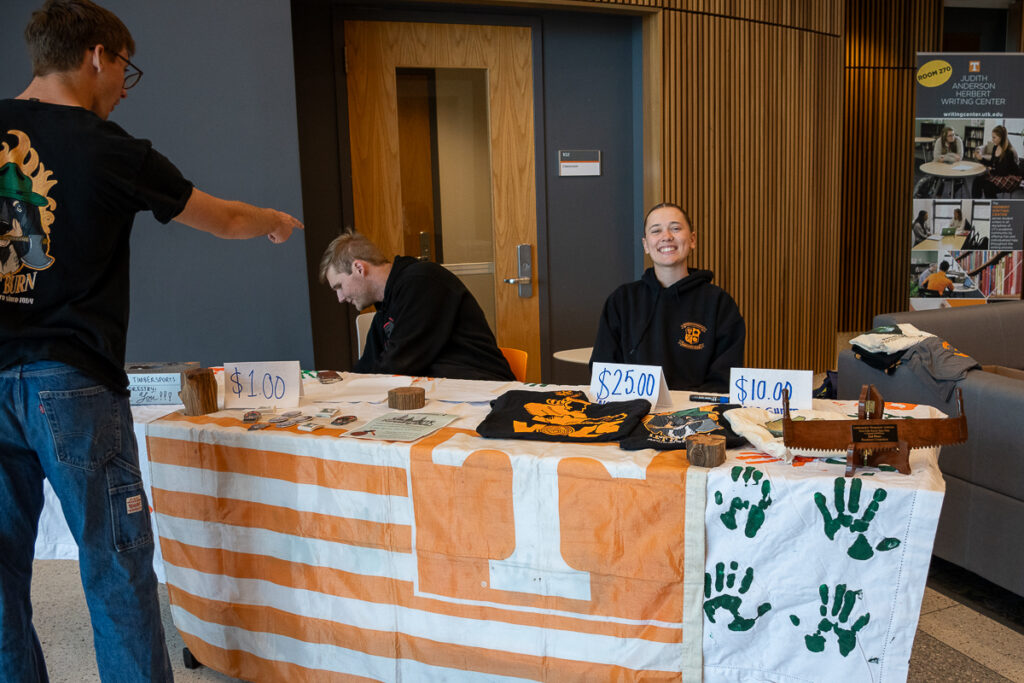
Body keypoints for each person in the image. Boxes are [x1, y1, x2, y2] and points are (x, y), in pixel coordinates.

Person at [0, 1, 303, 681]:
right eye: (124, 71)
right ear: (97, 56)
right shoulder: (108, 149)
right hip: (71, 380)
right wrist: (275, 221)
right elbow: (221, 217)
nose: (121, 88)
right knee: (115, 564)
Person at [319, 231, 515, 381]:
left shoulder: (422, 281)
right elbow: (368, 366)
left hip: (480, 389)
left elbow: (400, 365)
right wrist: (343, 387)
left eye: (339, 286)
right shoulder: (386, 307)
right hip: (448, 392)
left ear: (359, 268)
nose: (340, 298)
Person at [590, 202, 745, 392]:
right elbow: (603, 369)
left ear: (692, 239)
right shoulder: (622, 301)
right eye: (656, 231)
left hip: (697, 414)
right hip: (634, 411)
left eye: (676, 228)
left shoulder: (719, 304)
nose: (666, 237)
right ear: (646, 245)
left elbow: (725, 378)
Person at [972, 125, 1022, 198]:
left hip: (1010, 178)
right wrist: (981, 158)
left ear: (1001, 137)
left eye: (994, 137)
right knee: (977, 180)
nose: (992, 140)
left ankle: (994, 207)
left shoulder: (1009, 151)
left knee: (987, 187)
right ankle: (976, 202)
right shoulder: (995, 147)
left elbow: (1003, 172)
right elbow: (992, 163)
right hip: (998, 174)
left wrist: (991, 169)